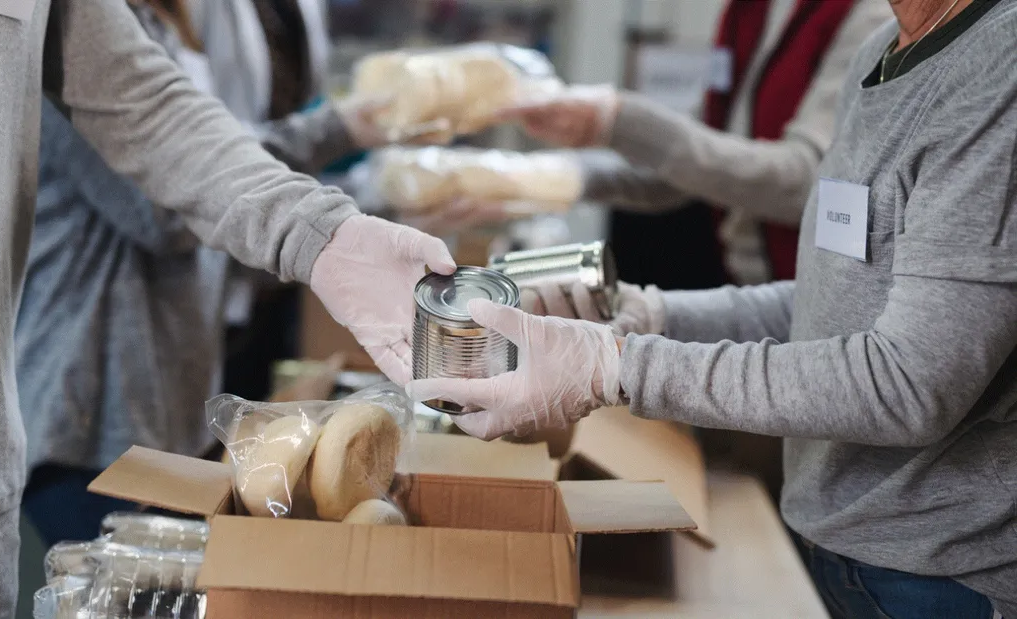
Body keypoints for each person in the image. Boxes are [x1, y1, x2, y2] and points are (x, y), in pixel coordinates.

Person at [409, 0, 1017, 616]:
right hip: (848, 551)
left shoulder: (999, 68)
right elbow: (832, 310)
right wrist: (645, 317)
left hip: (948, 576)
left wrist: (616, 366)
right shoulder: (882, 52)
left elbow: (909, 384)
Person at [0, 2, 453, 616]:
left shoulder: (161, 25)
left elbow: (147, 106)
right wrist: (341, 145)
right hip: (84, 414)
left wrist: (332, 234)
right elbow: (157, 216)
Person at [15, 0, 392, 546]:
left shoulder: (175, 26)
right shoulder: (81, 31)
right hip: (88, 421)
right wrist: (337, 130)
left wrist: (367, 213)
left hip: (170, 415)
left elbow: (214, 236)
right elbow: (167, 210)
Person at [500, 0, 892, 288]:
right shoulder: (748, 13)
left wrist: (617, 121)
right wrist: (551, 177)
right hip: (745, 287)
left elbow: (805, 186)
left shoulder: (868, 16)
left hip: (812, 302)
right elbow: (691, 171)